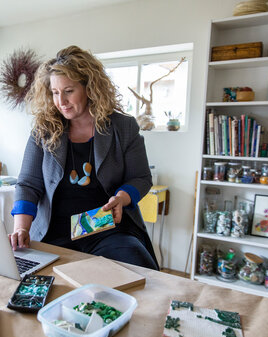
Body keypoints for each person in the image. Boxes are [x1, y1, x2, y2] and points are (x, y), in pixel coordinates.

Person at [9, 45, 159, 270]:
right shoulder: (43, 130)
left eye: (69, 91)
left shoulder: (123, 127)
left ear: (89, 87)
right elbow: (28, 184)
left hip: (107, 228)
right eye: (55, 92)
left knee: (139, 266)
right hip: (55, 231)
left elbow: (141, 178)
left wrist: (122, 197)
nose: (61, 101)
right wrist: (22, 228)